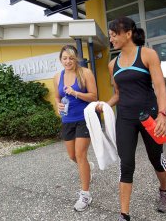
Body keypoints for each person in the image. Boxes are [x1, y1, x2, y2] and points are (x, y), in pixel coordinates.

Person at [96, 17, 166, 221]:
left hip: (149, 116)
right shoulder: (113, 64)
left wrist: (162, 115)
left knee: (156, 158)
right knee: (126, 164)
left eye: (114, 35)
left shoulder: (147, 54)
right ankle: (124, 214)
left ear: (128, 33)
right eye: (110, 36)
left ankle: (164, 191)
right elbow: (118, 94)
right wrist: (103, 105)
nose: (111, 39)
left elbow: (160, 88)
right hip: (126, 119)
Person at [53, 45, 98, 212]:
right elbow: (57, 97)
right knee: (73, 156)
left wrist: (75, 93)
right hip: (68, 120)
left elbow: (94, 96)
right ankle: (87, 166)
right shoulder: (58, 77)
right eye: (64, 58)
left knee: (80, 155)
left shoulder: (85, 73)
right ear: (61, 60)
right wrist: (57, 106)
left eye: (71, 58)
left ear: (76, 59)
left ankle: (85, 194)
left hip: (84, 118)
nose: (68, 61)